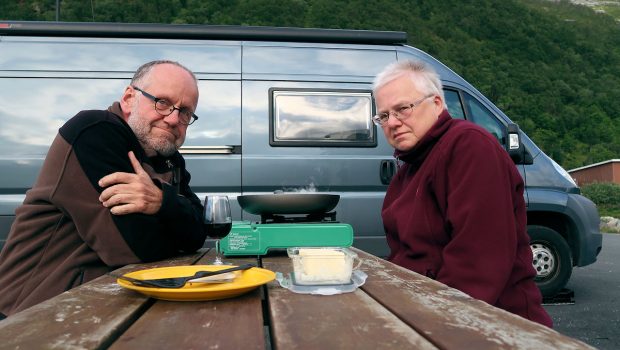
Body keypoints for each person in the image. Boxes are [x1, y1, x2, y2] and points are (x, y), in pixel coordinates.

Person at [0, 60, 207, 319]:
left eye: (186, 112)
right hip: (32, 313)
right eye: (162, 102)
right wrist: (177, 223)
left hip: (102, 306)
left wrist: (161, 201)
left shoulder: (169, 158)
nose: (174, 119)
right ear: (130, 98)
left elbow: (199, 233)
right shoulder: (94, 132)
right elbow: (131, 249)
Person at [373, 60, 553, 327]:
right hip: (428, 310)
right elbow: (406, 256)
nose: (393, 123)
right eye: (384, 116)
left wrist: (423, 326)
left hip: (496, 325)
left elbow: (477, 266)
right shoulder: (409, 168)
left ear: (436, 104)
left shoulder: (469, 146)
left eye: (402, 109)